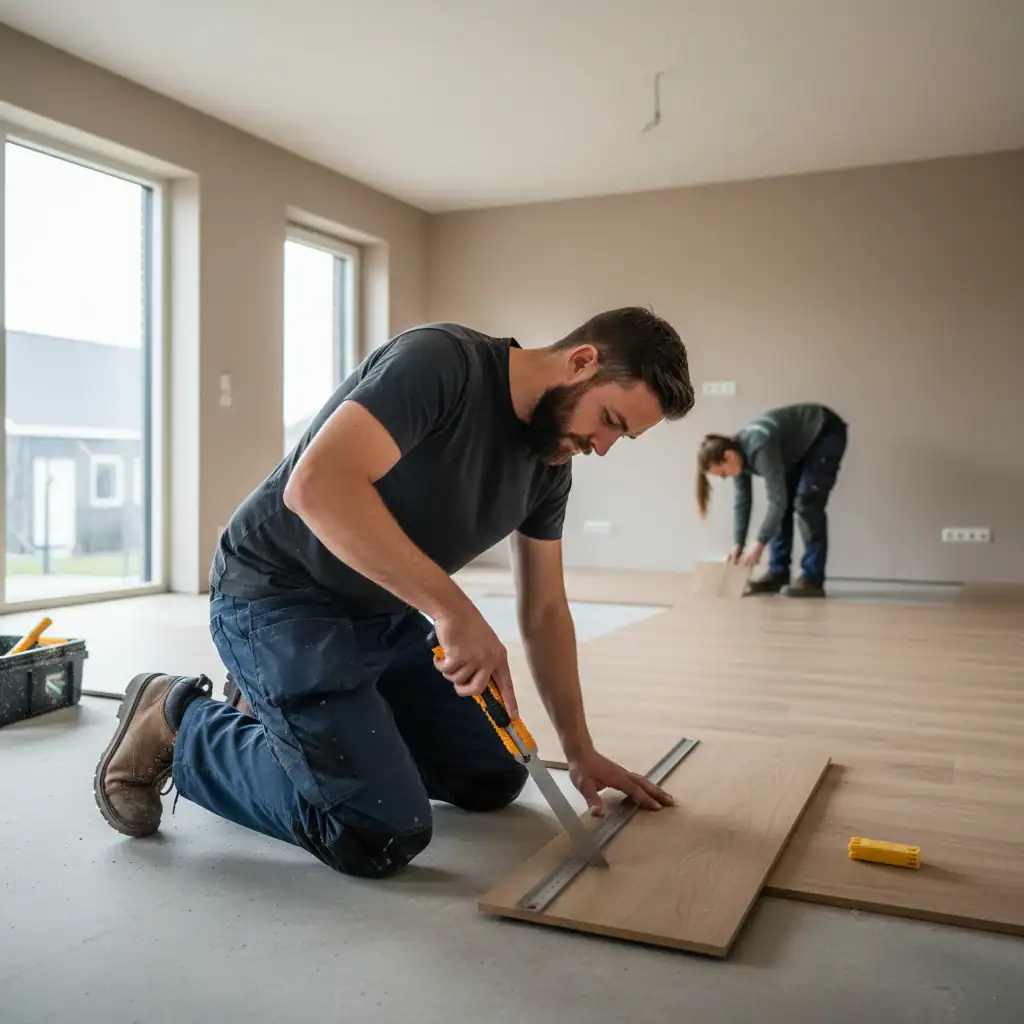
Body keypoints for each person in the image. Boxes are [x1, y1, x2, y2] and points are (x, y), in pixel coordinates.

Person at [94, 307, 695, 878]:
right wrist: (452, 608)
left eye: (622, 438)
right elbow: (318, 486)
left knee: (492, 777)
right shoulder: (441, 362)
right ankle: (177, 721)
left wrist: (580, 748)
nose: (603, 446)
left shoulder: (548, 464)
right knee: (375, 831)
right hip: (278, 596)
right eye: (610, 421)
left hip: (379, 615)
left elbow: (543, 610)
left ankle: (294, 718)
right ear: (582, 361)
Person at [695, 403, 847, 598]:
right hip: (801, 447)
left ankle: (813, 579)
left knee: (806, 503)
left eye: (723, 473)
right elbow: (743, 502)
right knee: (783, 507)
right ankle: (778, 574)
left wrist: (759, 543)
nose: (726, 477)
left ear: (729, 456)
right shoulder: (738, 455)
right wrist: (738, 544)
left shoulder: (759, 447)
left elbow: (777, 501)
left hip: (824, 432)